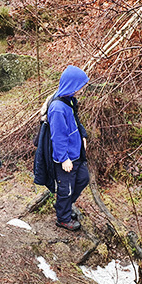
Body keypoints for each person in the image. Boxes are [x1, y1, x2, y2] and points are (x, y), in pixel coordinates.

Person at [47, 65, 90, 231]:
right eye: (79, 86)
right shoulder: (58, 108)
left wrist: (83, 135)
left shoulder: (70, 101)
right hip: (66, 157)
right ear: (71, 85)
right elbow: (58, 137)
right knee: (66, 188)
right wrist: (63, 158)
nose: (80, 90)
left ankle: (63, 206)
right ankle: (63, 218)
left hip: (76, 152)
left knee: (83, 178)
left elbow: (77, 122)